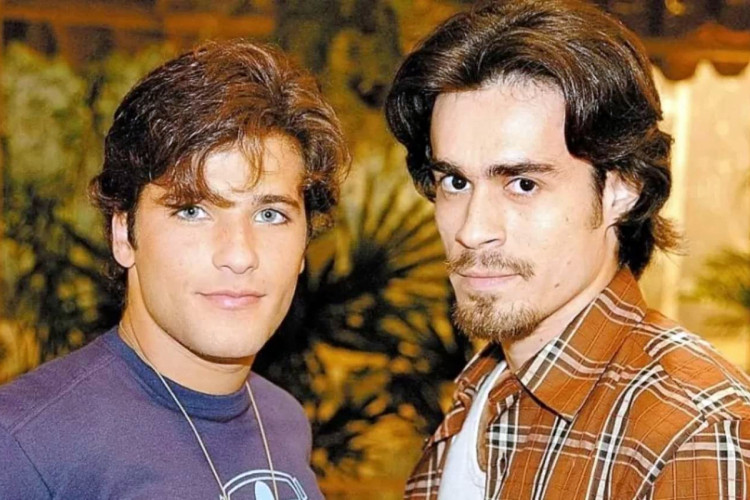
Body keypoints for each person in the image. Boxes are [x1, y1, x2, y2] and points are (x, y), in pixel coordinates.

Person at [385, 1, 750, 498]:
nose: (472, 229)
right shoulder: (486, 386)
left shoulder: (695, 433)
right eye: (455, 181)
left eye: (523, 184)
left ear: (623, 190)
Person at [0, 40, 348, 499]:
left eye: (270, 214)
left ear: (304, 244)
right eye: (192, 211)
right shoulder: (26, 446)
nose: (239, 254)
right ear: (124, 234)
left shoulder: (282, 419)